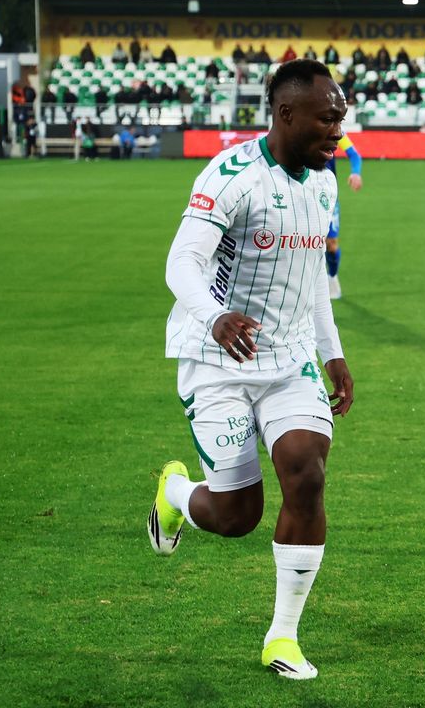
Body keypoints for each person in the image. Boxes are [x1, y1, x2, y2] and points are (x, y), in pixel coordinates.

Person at [148, 58, 354, 681]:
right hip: (218, 359)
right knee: (237, 516)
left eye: (341, 118)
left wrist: (333, 352)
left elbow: (312, 278)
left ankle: (283, 637)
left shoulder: (324, 184)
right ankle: (175, 494)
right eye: (327, 119)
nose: (337, 132)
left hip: (289, 360)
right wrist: (215, 316)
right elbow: (181, 262)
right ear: (286, 114)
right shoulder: (231, 176)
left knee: (306, 473)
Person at [324, 133, 363, 299]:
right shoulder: (300, 130)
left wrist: (356, 173)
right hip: (303, 193)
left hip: (328, 197)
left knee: (331, 245)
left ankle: (332, 276)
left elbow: (354, 155)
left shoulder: (335, 131)